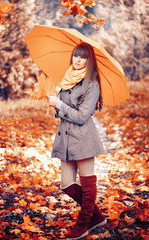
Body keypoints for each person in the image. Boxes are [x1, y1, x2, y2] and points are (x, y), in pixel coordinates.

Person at [48, 42, 106, 239]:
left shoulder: (92, 84)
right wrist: (56, 106)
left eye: (83, 57)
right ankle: (97, 216)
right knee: (66, 185)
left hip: (83, 139)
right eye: (75, 56)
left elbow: (81, 116)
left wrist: (60, 105)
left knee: (87, 185)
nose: (78, 60)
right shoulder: (67, 80)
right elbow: (64, 110)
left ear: (89, 60)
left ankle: (83, 225)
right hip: (65, 138)